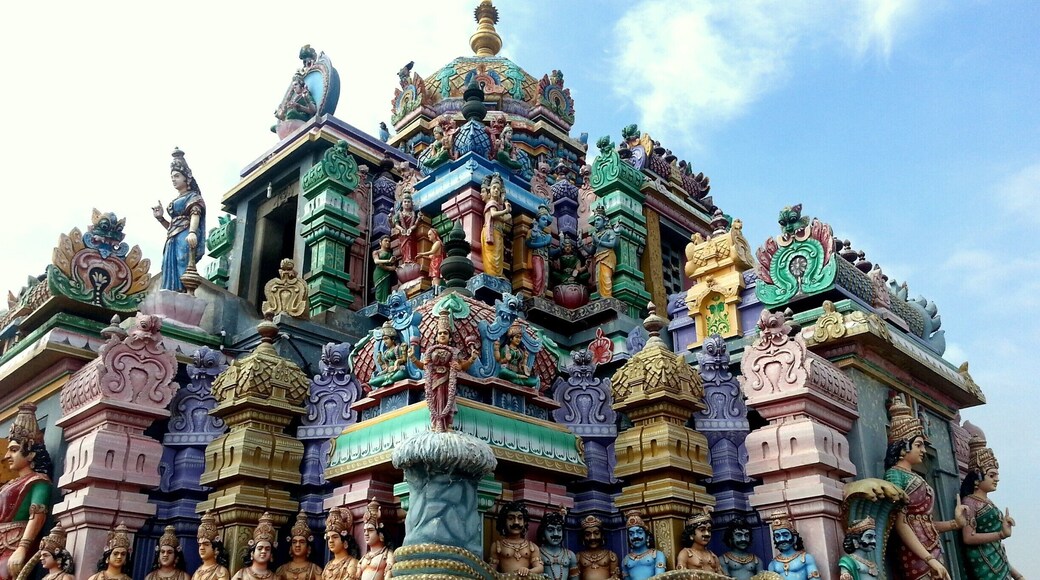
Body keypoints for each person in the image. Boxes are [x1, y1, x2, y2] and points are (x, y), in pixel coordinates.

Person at [884, 396, 967, 580]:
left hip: (931, 547)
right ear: (904, 448)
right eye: (918, 445)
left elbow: (925, 524)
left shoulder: (913, 476)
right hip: (915, 553)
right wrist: (929, 559)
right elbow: (901, 523)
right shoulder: (894, 475)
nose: (923, 450)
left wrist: (956, 524)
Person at [959, 434, 1023, 580]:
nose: (997, 479)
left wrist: (1017, 575)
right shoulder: (970, 502)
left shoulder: (988, 502)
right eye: (992, 475)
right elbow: (968, 537)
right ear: (978, 477)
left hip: (999, 562)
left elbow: (996, 545)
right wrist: (1000, 534)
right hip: (984, 565)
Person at [0, 403, 52, 580]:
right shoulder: (10, 484)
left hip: (14, 545)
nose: (7, 456)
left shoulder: (38, 481)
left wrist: (22, 548)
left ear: (31, 454)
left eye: (14, 450)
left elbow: (37, 515)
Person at [408, 311, 479, 432]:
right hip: (434, 380)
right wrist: (413, 358)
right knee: (435, 401)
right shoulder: (431, 351)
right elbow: (423, 366)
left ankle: (448, 424)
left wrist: (471, 359)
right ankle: (436, 424)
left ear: (450, 337)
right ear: (436, 336)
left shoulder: (455, 351)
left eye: (445, 333)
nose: (442, 335)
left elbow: (462, 366)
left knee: (447, 400)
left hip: (448, 379)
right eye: (440, 333)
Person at [153, 148, 206, 292]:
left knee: (183, 260)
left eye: (177, 176)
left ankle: (182, 292)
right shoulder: (176, 199)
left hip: (185, 236)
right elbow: (173, 227)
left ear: (186, 178)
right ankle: (170, 292)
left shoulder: (193, 196)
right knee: (167, 264)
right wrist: (160, 218)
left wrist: (192, 232)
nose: (174, 180)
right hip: (172, 238)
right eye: (172, 177)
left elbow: (195, 213)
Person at [488, 501, 543, 576]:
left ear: (525, 522)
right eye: (511, 518)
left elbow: (539, 568)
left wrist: (527, 571)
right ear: (504, 521)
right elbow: (491, 571)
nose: (516, 522)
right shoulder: (497, 546)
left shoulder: (532, 547)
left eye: (520, 518)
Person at [765, 511, 819, 580]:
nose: (781, 539)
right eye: (777, 536)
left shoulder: (805, 558)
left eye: (785, 535)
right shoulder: (773, 564)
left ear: (795, 538)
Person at [480, 173, 512, 277]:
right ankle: (492, 274)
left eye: (498, 189)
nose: (496, 190)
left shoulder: (497, 205)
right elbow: (493, 214)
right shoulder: (491, 203)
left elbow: (502, 218)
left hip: (498, 233)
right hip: (491, 232)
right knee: (492, 256)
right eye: (494, 188)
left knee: (498, 255)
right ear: (489, 190)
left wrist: (508, 214)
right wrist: (506, 210)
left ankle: (497, 275)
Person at [232, 513, 278, 580]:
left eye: (267, 549)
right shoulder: (241, 574)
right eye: (260, 548)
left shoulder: (276, 578)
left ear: (271, 555)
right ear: (252, 553)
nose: (263, 551)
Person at [276, 512, 321, 580]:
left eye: (302, 542)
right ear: (290, 546)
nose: (297, 545)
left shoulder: (315, 570)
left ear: (308, 547)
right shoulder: (282, 569)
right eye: (294, 542)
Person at [676, 507, 722, 573]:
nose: (707, 534)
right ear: (691, 535)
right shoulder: (686, 553)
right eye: (702, 530)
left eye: (709, 530)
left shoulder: (713, 556)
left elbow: (722, 576)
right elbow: (681, 575)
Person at [620, 512, 665, 579]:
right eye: (631, 534)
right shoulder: (626, 561)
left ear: (647, 536)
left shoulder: (657, 555)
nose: (635, 536)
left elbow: (659, 577)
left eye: (639, 532)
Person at [493, 323, 539, 387]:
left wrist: (525, 358)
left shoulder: (520, 351)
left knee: (533, 382)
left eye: (520, 338)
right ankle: (518, 378)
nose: (518, 340)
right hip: (507, 370)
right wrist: (506, 359)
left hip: (517, 371)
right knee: (503, 372)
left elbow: (522, 365)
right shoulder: (506, 348)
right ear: (511, 339)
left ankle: (516, 379)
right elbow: (500, 362)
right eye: (516, 337)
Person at [358, 500, 394, 580]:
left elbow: (389, 575)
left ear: (381, 535)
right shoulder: (363, 558)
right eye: (364, 531)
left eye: (370, 530)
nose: (366, 534)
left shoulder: (387, 555)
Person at [538, 509, 578, 580]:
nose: (556, 534)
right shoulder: (537, 553)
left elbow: (575, 578)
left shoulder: (570, 555)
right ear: (543, 533)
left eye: (559, 530)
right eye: (550, 530)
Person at [576, 516, 619, 580]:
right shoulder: (579, 557)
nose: (592, 538)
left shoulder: (610, 556)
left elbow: (615, 577)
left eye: (596, 533)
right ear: (583, 537)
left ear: (602, 535)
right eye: (587, 534)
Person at [587, 206, 617, 298]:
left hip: (608, 256)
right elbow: (591, 251)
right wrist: (581, 245)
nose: (596, 222)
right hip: (598, 258)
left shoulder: (609, 232)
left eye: (599, 220)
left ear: (605, 222)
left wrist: (598, 241)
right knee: (598, 280)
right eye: (595, 220)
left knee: (606, 277)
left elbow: (612, 244)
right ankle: (602, 297)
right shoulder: (596, 235)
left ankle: (607, 296)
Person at [322, 508, 359, 580]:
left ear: (345, 542)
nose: (330, 541)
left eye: (335, 537)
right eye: (328, 538)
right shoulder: (328, 565)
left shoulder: (352, 563)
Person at [526, 206, 554, 297]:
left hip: (545, 258)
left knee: (545, 278)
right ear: (538, 220)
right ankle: (536, 294)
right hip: (537, 256)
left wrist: (560, 248)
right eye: (543, 219)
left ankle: (541, 295)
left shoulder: (546, 235)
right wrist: (545, 242)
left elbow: (550, 252)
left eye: (546, 220)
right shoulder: (533, 231)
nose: (545, 222)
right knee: (538, 276)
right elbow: (529, 244)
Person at [193, 512, 230, 580]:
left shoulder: (221, 572)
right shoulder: (197, 571)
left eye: (206, 544)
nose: (201, 548)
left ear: (216, 549)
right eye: (200, 545)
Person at [390, 193, 420, 264]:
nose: (406, 203)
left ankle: (411, 259)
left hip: (411, 234)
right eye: (405, 202)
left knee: (411, 246)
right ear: (402, 203)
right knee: (404, 247)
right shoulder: (399, 214)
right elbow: (396, 224)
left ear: (411, 203)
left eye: (408, 202)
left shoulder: (413, 214)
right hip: (402, 235)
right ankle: (406, 259)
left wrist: (411, 229)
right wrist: (401, 229)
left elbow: (415, 225)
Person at [372, 237, 397, 304]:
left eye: (389, 241)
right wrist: (388, 261)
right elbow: (376, 261)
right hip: (379, 273)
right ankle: (380, 303)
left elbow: (394, 267)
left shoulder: (391, 255)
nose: (387, 242)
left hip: (387, 274)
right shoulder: (376, 252)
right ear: (380, 242)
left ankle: (386, 303)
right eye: (385, 241)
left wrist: (389, 268)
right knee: (379, 289)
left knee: (387, 289)